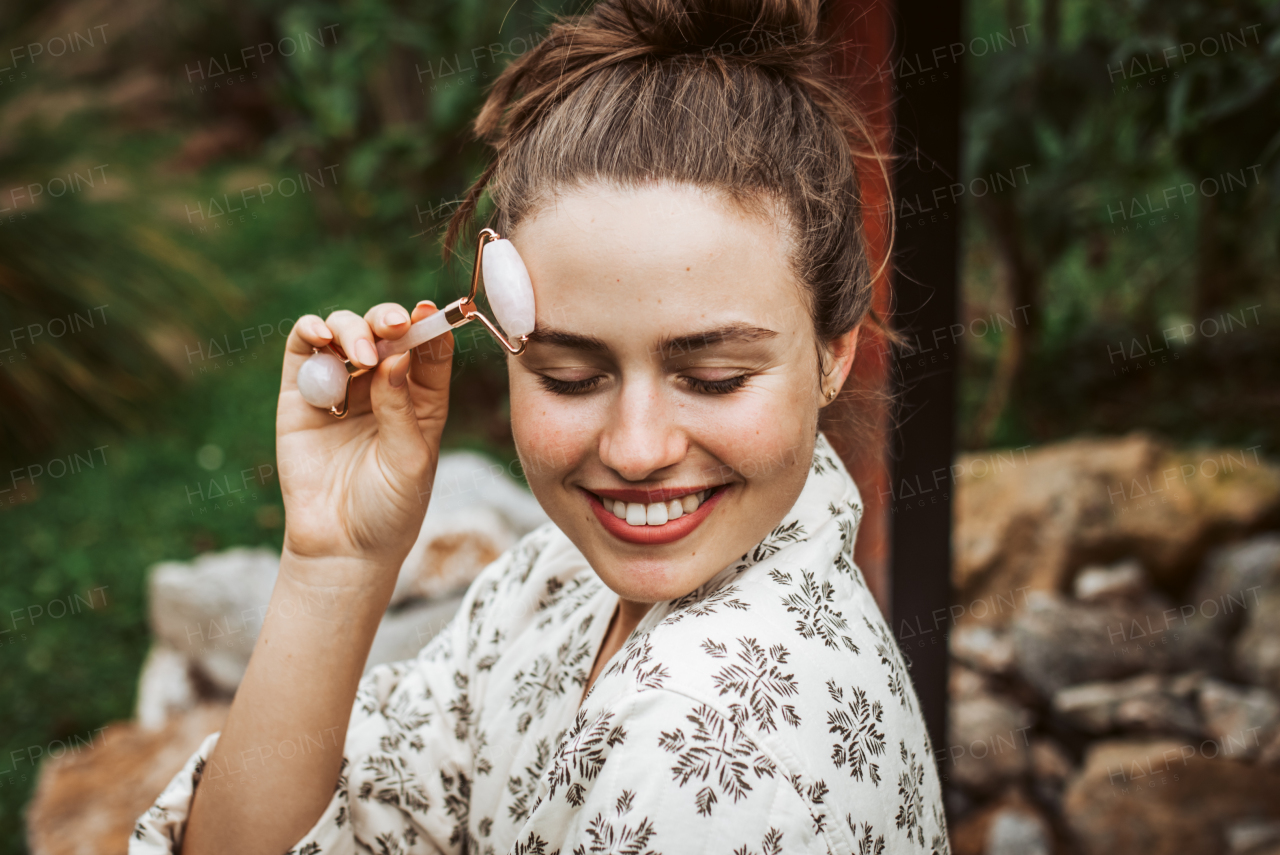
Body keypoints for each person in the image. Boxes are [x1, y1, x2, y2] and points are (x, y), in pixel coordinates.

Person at [131, 0, 949, 852]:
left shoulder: (723, 762)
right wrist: (334, 563)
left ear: (834, 353)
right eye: (571, 376)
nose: (637, 448)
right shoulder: (559, 581)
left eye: (713, 378)